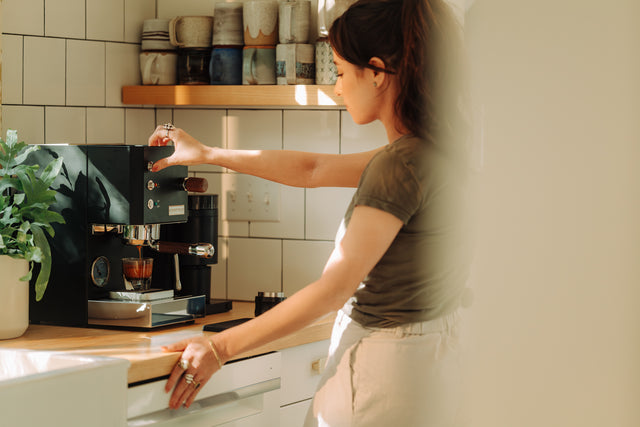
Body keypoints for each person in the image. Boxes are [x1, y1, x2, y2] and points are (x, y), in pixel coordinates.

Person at [148, 0, 471, 424]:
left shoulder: (400, 164)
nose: (337, 88)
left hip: (380, 374)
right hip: (429, 366)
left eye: (339, 72)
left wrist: (220, 347)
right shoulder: (435, 153)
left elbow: (334, 289)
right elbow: (312, 169)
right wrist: (208, 152)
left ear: (376, 72)